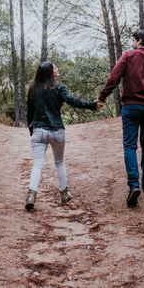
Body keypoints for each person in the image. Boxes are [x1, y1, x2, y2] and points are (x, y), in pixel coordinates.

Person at [97, 29, 144, 207]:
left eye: (133, 40)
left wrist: (102, 97)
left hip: (131, 106)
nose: (132, 43)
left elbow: (114, 78)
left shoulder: (128, 56)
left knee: (129, 145)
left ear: (140, 41)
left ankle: (134, 184)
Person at [25, 61, 103, 211]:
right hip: (56, 131)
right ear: (49, 72)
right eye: (55, 67)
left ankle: (31, 195)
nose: (57, 68)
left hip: (39, 130)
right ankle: (64, 194)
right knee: (59, 163)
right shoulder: (58, 88)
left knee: (37, 165)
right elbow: (72, 101)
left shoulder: (33, 88)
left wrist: (32, 131)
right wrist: (92, 105)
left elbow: (29, 112)